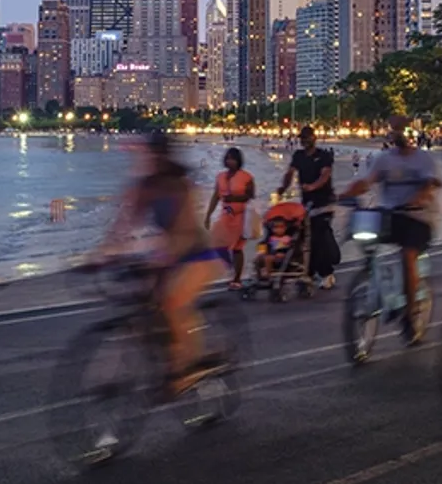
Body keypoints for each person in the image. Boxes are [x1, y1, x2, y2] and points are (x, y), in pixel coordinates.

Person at [94, 131, 223, 397]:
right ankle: (169, 357)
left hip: (197, 255)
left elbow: (185, 229)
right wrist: (100, 256)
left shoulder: (181, 185)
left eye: (155, 155)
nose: (149, 160)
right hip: (168, 254)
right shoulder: (143, 187)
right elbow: (123, 225)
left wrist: (161, 258)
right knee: (147, 309)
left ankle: (188, 368)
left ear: (164, 156)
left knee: (173, 303)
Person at [342, 114, 442, 343]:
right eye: (394, 130)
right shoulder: (383, 159)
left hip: (419, 218)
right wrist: (342, 195)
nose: (397, 134)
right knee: (365, 241)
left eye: (401, 130)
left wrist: (418, 198)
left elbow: (430, 185)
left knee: (408, 254)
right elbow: (366, 182)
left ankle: (409, 315)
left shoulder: (425, 160)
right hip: (390, 216)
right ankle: (373, 281)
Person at [278, 125, 339, 289]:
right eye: (302, 138)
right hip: (307, 204)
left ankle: (327, 273)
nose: (304, 141)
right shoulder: (298, 156)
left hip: (324, 203)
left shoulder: (324, 156)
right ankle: (308, 272)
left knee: (318, 237)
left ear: (314, 138)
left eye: (307, 137)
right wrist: (282, 189)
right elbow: (290, 174)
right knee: (302, 238)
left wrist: (313, 186)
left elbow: (325, 175)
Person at [204, 146, 255, 290]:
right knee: (215, 242)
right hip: (225, 215)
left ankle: (237, 278)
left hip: (241, 216)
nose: (230, 161)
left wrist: (235, 198)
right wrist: (208, 215)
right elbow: (215, 196)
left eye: (233, 159)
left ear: (239, 161)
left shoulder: (246, 177)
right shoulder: (220, 176)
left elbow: (251, 195)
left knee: (237, 248)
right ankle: (231, 268)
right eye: (228, 158)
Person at [254, 215, 294, 280]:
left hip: (282, 257)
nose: (278, 229)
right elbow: (265, 245)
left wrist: (283, 253)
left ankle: (268, 276)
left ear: (285, 228)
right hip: (271, 254)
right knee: (258, 258)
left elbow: (289, 248)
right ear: (272, 229)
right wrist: (261, 252)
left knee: (268, 258)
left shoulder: (287, 238)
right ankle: (259, 276)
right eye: (276, 227)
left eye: (281, 227)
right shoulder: (270, 238)